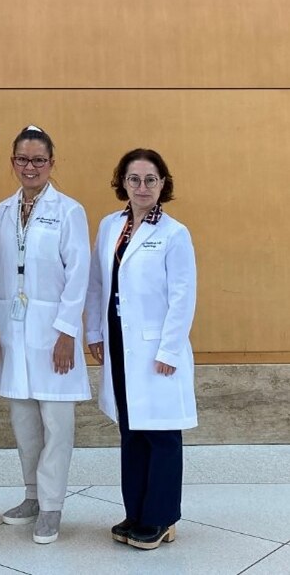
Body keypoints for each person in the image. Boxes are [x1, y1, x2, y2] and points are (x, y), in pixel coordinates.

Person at [0, 125, 91, 544]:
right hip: (13, 332)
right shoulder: (4, 211)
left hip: (53, 333)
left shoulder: (69, 211)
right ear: (12, 163)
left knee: (57, 424)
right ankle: (31, 496)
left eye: (38, 160)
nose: (30, 167)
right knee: (24, 421)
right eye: (22, 159)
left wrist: (66, 333)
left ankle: (53, 506)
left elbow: (80, 276)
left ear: (51, 164)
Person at [87, 148, 197, 551]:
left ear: (163, 184)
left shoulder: (174, 233)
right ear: (123, 183)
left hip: (155, 349)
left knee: (161, 434)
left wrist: (168, 351)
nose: (142, 187)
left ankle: (161, 517)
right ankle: (136, 512)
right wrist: (94, 332)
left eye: (151, 179)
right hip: (120, 343)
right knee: (131, 432)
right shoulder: (110, 225)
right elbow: (97, 284)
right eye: (134, 179)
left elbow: (183, 297)